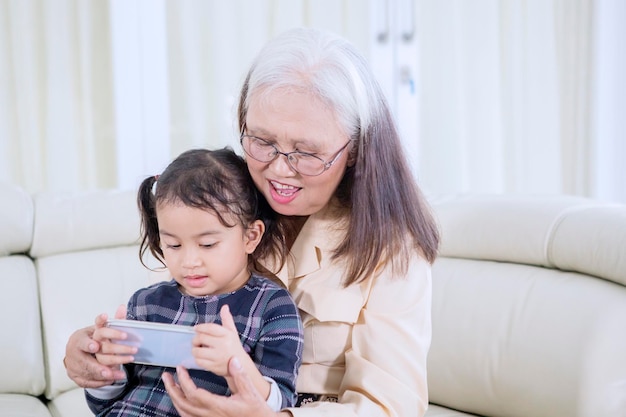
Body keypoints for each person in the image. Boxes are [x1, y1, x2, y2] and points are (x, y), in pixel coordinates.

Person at [64, 27, 439, 417]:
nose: (278, 169)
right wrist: (96, 355)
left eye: (307, 152)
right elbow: (169, 330)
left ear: (357, 148)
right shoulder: (227, 204)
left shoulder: (394, 246)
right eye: (261, 141)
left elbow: (388, 406)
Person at [84, 148, 303, 416]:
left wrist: (238, 365)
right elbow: (104, 405)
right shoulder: (146, 303)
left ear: (251, 236)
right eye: (173, 245)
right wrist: (107, 369)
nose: (189, 261)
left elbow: (280, 404)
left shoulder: (273, 307)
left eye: (207, 244)